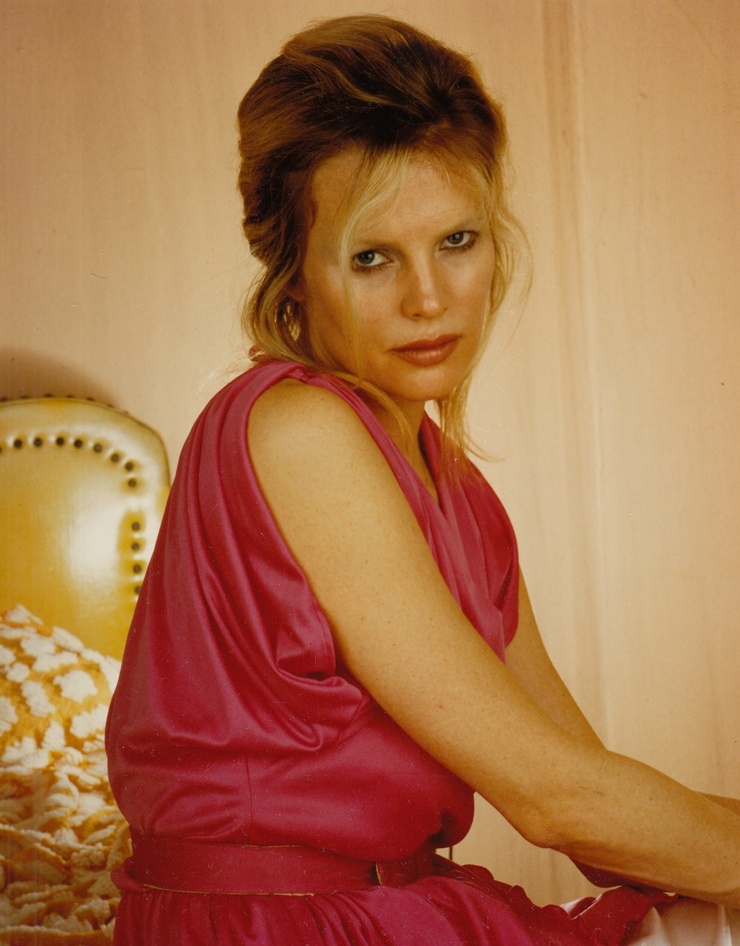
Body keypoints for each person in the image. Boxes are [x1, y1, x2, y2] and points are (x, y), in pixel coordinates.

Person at [105, 14, 740, 945]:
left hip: (394, 909)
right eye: (372, 258)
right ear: (293, 272)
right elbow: (556, 801)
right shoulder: (298, 430)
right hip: (272, 929)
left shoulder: (458, 492)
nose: (429, 298)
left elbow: (589, 796)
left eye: (456, 241)